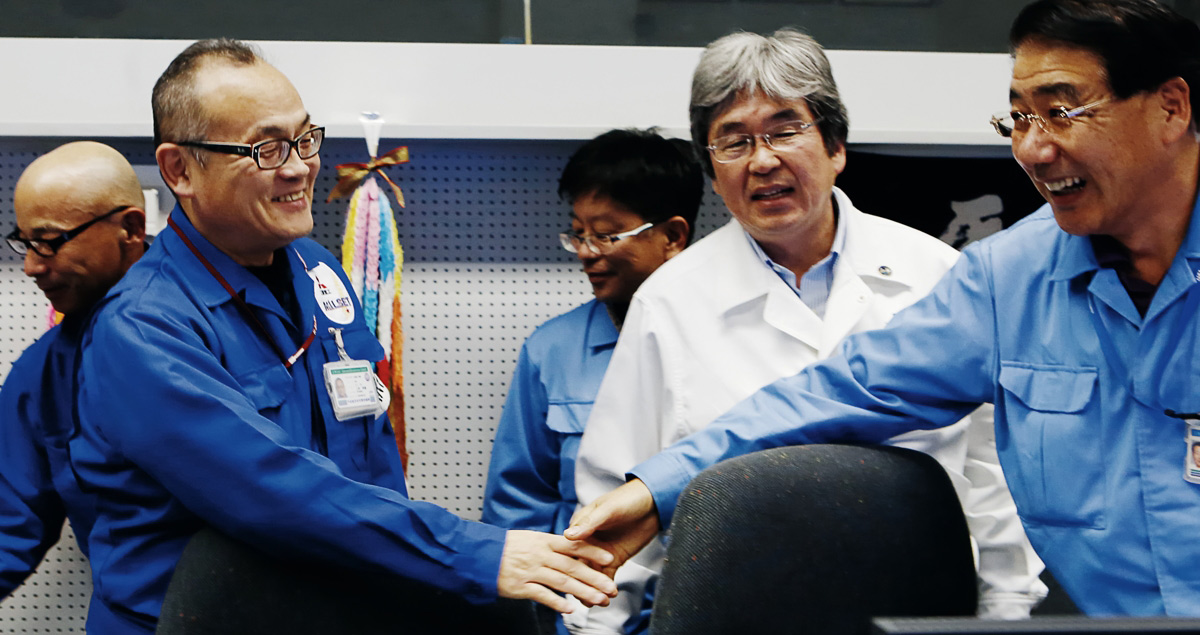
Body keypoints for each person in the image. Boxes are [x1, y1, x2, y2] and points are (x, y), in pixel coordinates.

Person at [568, 0, 1200, 617]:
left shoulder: (940, 268)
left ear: (1170, 106)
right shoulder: (1008, 280)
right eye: (1017, 120)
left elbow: (988, 490)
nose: (1033, 150)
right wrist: (658, 488)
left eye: (1060, 112)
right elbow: (843, 392)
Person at [62, 39, 615, 633]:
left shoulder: (315, 269)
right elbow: (271, 489)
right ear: (179, 170)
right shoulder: (142, 330)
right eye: (266, 148)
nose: (300, 166)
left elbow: (371, 458)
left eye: (305, 138)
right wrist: (476, 554)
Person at [481, 129, 701, 634]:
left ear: (672, 235)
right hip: (583, 621)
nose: (585, 251)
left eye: (606, 234)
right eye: (577, 232)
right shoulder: (551, 351)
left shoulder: (723, 344)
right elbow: (519, 509)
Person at [0, 142, 147, 600]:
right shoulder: (43, 378)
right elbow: (8, 525)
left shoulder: (230, 314)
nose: (30, 266)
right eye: (25, 242)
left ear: (130, 228)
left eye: (49, 241)